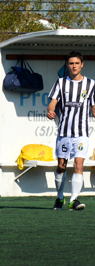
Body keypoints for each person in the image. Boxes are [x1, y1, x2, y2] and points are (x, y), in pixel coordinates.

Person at [46, 51, 95, 210]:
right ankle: (60, 198)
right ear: (67, 65)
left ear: (82, 64)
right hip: (64, 133)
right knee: (61, 165)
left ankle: (74, 200)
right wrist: (51, 111)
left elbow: (94, 107)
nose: (74, 66)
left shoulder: (91, 84)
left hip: (82, 133)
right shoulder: (60, 83)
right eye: (71, 63)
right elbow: (53, 102)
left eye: (76, 63)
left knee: (79, 165)